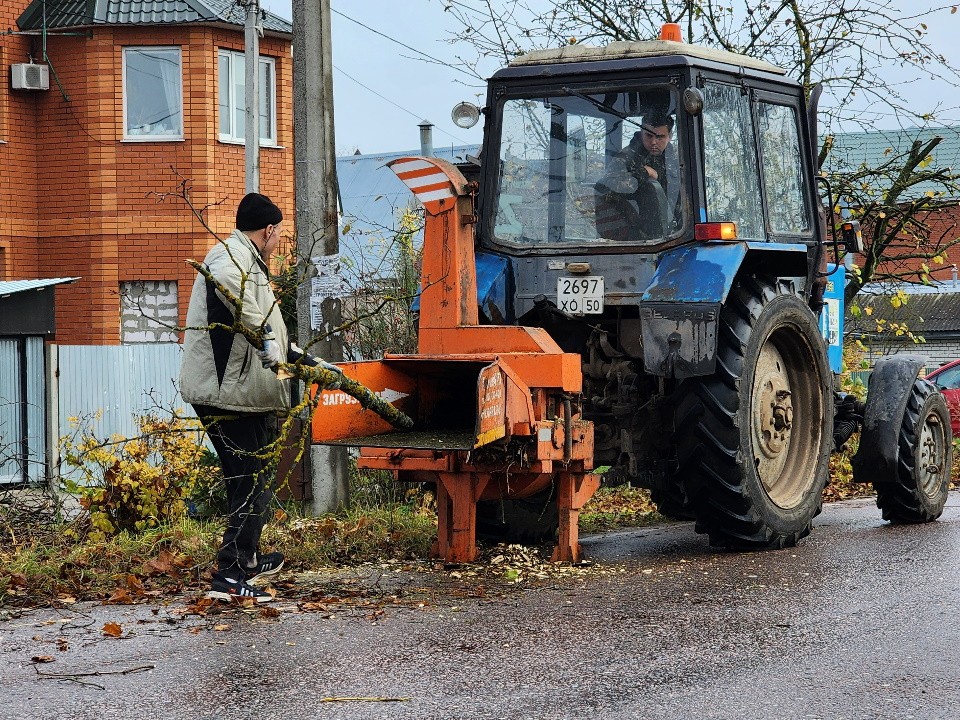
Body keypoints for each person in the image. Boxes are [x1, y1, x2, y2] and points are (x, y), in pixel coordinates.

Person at [180, 192, 339, 602]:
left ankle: (246, 560)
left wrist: (311, 363)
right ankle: (230, 575)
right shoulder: (229, 258)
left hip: (245, 394)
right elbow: (239, 302)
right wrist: (267, 338)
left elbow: (274, 336)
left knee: (257, 480)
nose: (279, 239)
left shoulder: (250, 262)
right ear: (268, 230)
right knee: (250, 484)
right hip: (227, 396)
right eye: (279, 232)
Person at [595, 112, 680, 241]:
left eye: (660, 137)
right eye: (649, 136)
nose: (653, 142)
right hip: (637, 238)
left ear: (670, 136)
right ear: (641, 133)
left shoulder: (678, 158)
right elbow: (606, 188)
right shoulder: (627, 157)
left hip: (676, 235)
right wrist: (643, 173)